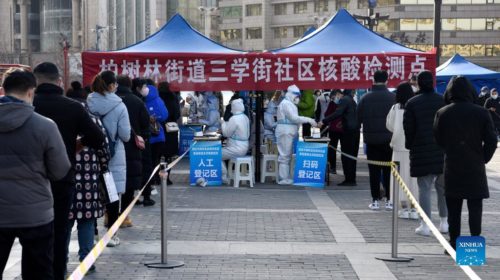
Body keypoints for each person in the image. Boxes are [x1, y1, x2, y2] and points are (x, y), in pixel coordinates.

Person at [32, 62, 105, 279]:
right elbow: (98, 138)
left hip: (30, 179)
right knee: (60, 230)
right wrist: (78, 145)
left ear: (35, 82)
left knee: (31, 233)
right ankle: (58, 272)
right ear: (59, 81)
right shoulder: (73, 107)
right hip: (63, 178)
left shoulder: (29, 106)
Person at [0, 68, 71, 280]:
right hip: (36, 213)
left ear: (3, 90)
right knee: (39, 273)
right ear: (32, 92)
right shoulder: (45, 126)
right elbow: (60, 170)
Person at [434, 76, 497, 250]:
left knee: (453, 207)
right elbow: (491, 140)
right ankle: (474, 244)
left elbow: (438, 139)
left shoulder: (443, 112)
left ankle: (454, 243)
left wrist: (450, 150)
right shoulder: (481, 112)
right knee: (475, 207)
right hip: (475, 165)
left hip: (453, 165)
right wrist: (483, 157)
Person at [66, 91, 109, 272]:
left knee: (64, 224)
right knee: (87, 222)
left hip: (65, 179)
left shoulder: (62, 120)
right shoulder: (94, 121)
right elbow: (104, 150)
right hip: (89, 182)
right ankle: (87, 260)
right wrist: (103, 168)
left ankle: (62, 258)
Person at [87, 71, 131, 247]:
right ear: (112, 85)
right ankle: (111, 236)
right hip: (112, 157)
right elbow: (126, 135)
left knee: (90, 196)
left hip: (91, 156)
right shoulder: (120, 106)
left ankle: (92, 233)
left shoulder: (87, 103)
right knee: (112, 197)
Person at [403, 70, 448, 236]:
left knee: (424, 188)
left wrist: (411, 145)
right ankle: (444, 222)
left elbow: (409, 128)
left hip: (421, 149)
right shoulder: (443, 100)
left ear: (418, 84)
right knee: (443, 188)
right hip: (442, 150)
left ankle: (425, 225)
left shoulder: (412, 103)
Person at [357, 70, 395, 210]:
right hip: (389, 140)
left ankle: (375, 201)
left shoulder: (365, 98)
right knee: (388, 171)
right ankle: (390, 200)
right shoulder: (393, 97)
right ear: (387, 80)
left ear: (373, 80)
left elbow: (358, 119)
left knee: (373, 171)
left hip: (371, 141)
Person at [116, 76, 150, 226]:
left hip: (111, 148)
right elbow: (145, 125)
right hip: (132, 148)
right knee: (129, 183)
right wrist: (143, 139)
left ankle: (108, 214)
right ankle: (124, 216)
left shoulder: (110, 100)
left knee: (110, 183)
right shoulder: (137, 101)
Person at [386, 82, 419, 220]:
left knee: (400, 179)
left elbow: (389, 125)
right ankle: (414, 209)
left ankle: (404, 208)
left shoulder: (395, 108)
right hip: (413, 147)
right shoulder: (415, 106)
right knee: (414, 180)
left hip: (398, 148)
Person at [276, 85, 317, 185]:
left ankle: (286, 177)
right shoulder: (286, 104)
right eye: (296, 95)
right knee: (285, 155)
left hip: (288, 131)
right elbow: (294, 118)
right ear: (290, 94)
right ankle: (283, 178)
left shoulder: (289, 103)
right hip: (286, 132)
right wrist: (309, 119)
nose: (298, 98)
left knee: (287, 155)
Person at [322, 89, 360, 186]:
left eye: (334, 97)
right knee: (352, 156)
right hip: (355, 131)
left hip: (348, 132)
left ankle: (349, 180)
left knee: (346, 156)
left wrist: (324, 121)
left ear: (339, 94)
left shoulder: (344, 100)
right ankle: (351, 178)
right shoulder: (352, 100)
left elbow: (337, 113)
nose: (334, 100)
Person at [131, 78, 155, 206]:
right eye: (144, 86)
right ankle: (146, 195)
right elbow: (145, 122)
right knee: (145, 168)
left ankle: (133, 197)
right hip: (141, 140)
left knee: (133, 170)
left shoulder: (121, 100)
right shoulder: (138, 101)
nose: (146, 89)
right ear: (138, 88)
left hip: (128, 141)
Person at [221, 98, 250, 184]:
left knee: (215, 154)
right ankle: (225, 175)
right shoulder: (245, 117)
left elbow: (226, 133)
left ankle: (224, 176)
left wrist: (223, 123)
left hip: (237, 148)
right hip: (244, 146)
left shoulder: (234, 118)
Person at [158, 81, 180, 185]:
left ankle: (156, 177)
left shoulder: (156, 98)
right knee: (169, 156)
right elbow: (177, 114)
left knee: (158, 155)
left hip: (158, 128)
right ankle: (167, 177)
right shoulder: (173, 97)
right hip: (171, 129)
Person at [323, 90, 342, 174]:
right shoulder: (345, 102)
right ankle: (335, 168)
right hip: (341, 130)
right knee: (341, 149)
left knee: (332, 149)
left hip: (334, 129)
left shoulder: (332, 103)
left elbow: (326, 114)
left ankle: (333, 167)